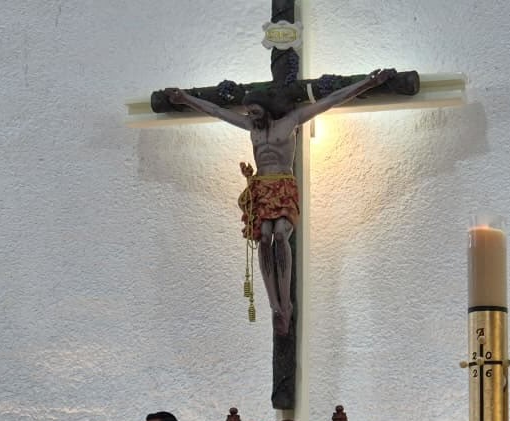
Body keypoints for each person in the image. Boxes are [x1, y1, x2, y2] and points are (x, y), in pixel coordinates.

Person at [163, 69, 398, 337]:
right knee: (264, 238)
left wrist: (369, 82)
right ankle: (274, 306)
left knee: (279, 236)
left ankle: (285, 303)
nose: (251, 117)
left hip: (283, 186)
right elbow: (216, 111)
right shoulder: (252, 127)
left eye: (255, 112)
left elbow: (332, 99)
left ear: (267, 109)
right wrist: (184, 99)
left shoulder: (291, 121)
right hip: (262, 187)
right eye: (249, 113)